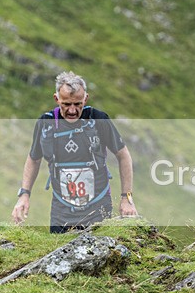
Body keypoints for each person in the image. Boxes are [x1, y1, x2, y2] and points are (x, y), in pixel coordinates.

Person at [12, 71, 138, 233]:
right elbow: (34, 159)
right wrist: (24, 194)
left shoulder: (98, 119)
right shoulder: (46, 123)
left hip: (98, 208)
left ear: (85, 98)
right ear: (56, 99)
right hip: (61, 211)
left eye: (78, 104)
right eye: (66, 104)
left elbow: (123, 155)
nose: (72, 110)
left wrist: (126, 198)